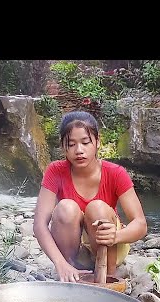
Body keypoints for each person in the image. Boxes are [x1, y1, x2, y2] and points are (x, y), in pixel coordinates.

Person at [33, 110, 147, 283]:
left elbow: (140, 224)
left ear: (97, 142)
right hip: (75, 250)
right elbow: (39, 225)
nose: (79, 150)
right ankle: (69, 272)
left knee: (97, 207)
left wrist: (116, 236)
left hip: (109, 246)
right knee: (65, 208)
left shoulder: (116, 173)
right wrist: (60, 263)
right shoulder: (55, 171)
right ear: (63, 146)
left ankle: (108, 278)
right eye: (71, 144)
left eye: (85, 142)